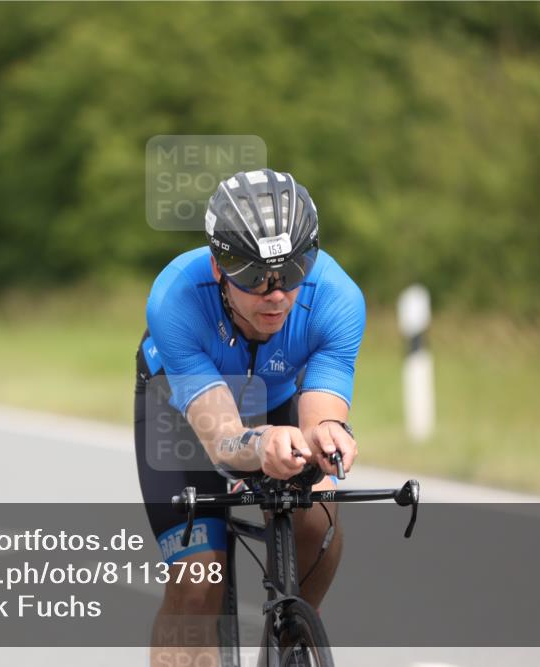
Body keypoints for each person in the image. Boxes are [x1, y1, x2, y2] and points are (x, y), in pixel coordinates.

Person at [134, 168, 366, 665]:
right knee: (198, 583)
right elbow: (224, 442)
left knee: (318, 520)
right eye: (255, 277)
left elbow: (322, 415)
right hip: (183, 410)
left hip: (280, 397)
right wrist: (262, 446)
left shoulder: (338, 299)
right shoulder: (176, 298)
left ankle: (291, 636)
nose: (277, 294)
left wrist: (326, 436)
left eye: (292, 272)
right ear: (219, 268)